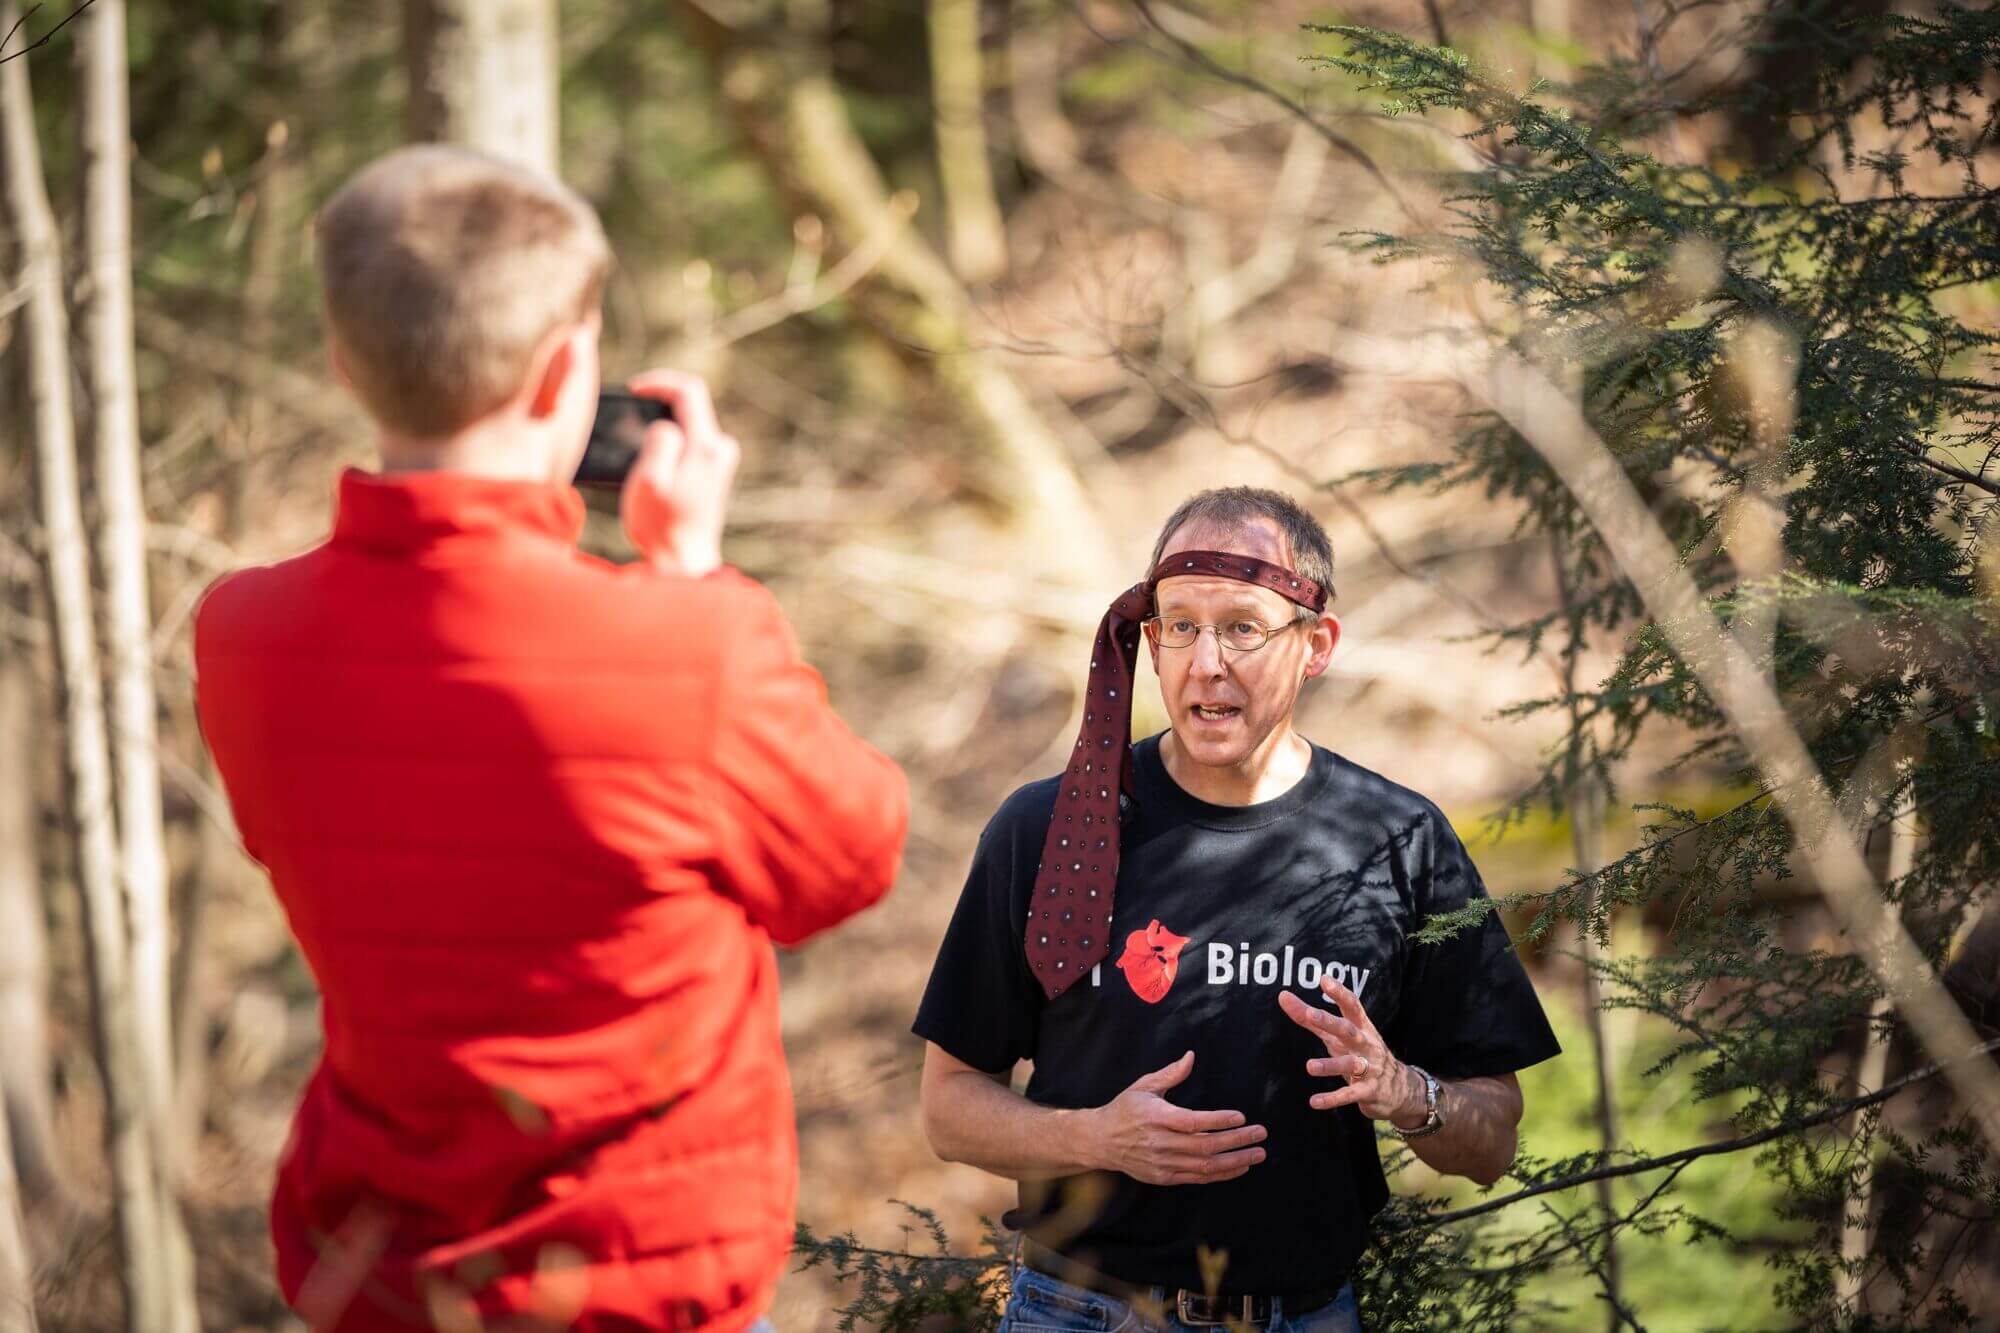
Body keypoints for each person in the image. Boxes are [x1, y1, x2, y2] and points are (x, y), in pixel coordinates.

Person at [193, 145, 909, 1332]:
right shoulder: (692, 647)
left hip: (375, 1275)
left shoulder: (243, 635)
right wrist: (696, 573)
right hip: (643, 1284)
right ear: (565, 370)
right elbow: (848, 862)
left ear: (340, 358)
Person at [913, 487, 1562, 1331]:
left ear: (1316, 645)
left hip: (1305, 1315)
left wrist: (1406, 1092)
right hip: (1076, 1310)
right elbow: (949, 1106)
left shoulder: (1402, 840)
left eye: (1243, 628)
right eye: (1180, 626)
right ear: (1150, 644)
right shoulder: (1050, 829)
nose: (1207, 661)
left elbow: (1494, 1137)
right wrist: (1099, 1139)